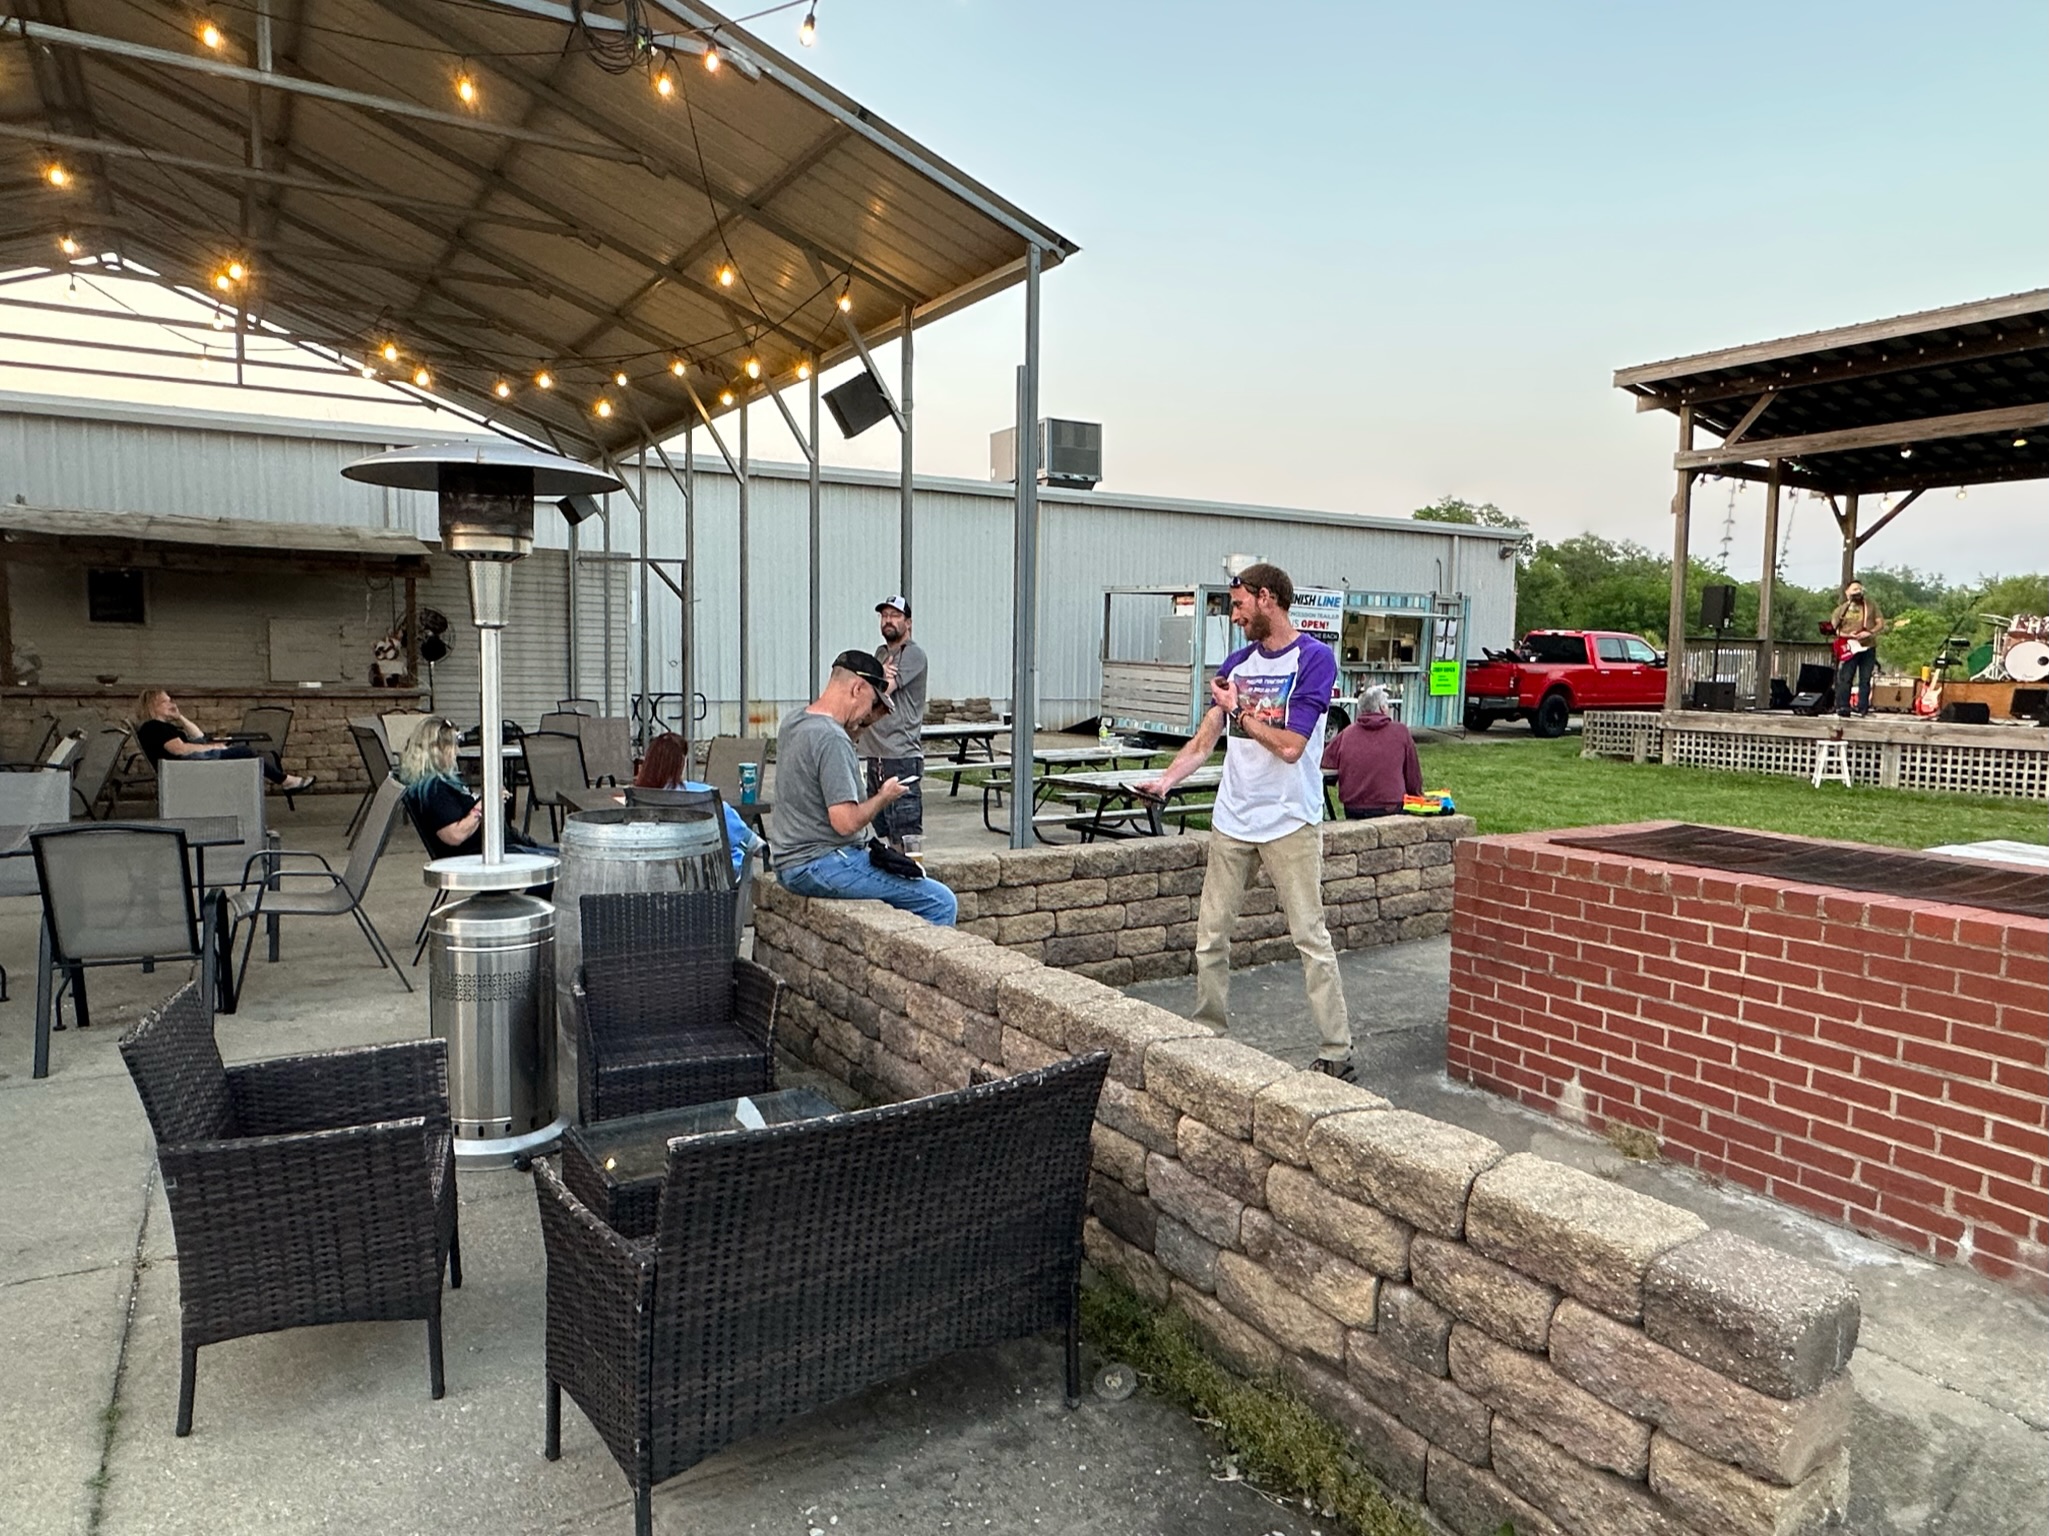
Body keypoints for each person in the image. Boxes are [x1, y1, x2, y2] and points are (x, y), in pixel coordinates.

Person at [1138, 563, 1354, 1081]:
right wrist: (1166, 781)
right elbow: (1204, 740)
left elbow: (1291, 747)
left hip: (1290, 822)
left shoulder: (1313, 659)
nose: (1234, 616)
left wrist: (1241, 714)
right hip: (1233, 820)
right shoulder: (1236, 663)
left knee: (1310, 937)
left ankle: (1336, 1051)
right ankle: (1207, 1033)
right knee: (1211, 935)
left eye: (1238, 605)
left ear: (1266, 598)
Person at [773, 649, 957, 925]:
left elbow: (835, 742)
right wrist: (884, 797)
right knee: (941, 901)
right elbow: (845, 823)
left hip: (790, 863)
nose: (869, 712)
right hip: (822, 862)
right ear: (857, 688)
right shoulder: (832, 739)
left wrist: (867, 721)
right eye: (871, 703)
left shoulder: (794, 721)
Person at [396, 718, 550, 859]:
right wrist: (487, 803)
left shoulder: (442, 781)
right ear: (437, 750)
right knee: (560, 864)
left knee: (560, 858)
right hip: (484, 856)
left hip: (499, 849)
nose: (457, 752)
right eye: (453, 746)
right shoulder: (435, 790)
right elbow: (455, 836)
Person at [854, 594, 928, 857]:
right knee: (882, 828)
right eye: (884, 616)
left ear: (908, 622)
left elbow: (883, 691)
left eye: (895, 616)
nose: (888, 620)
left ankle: (909, 874)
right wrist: (877, 676)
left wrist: (875, 679)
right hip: (876, 755)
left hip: (900, 756)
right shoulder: (881, 653)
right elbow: (871, 687)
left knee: (904, 835)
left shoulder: (912, 654)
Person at [633, 732, 764, 876]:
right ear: (682, 763)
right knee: (743, 849)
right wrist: (761, 846)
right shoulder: (702, 795)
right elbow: (742, 836)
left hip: (658, 872)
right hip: (710, 874)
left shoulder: (639, 797)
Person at [133, 688, 315, 792]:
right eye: (166, 701)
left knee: (241, 751)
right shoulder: (153, 727)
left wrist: (180, 717)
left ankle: (284, 782)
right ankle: (286, 781)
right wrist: (212, 748)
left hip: (186, 766)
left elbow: (198, 737)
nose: (172, 704)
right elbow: (179, 749)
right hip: (182, 771)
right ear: (152, 706)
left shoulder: (162, 726)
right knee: (246, 752)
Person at [1321, 685, 1422, 818]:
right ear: (1382, 708)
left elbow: (1325, 763)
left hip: (1354, 808)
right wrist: (1417, 796)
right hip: (1390, 806)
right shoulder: (1401, 732)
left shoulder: (1346, 734)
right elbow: (1413, 775)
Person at [1830, 580, 1886, 717]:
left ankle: (1862, 707)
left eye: (1859, 589)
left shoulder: (1871, 605)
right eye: (1854, 589)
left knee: (1865, 679)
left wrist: (1869, 632)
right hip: (1850, 647)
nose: (1858, 592)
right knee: (1845, 677)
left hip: (1868, 646)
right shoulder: (1841, 610)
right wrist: (1848, 635)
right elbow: (1835, 629)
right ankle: (1843, 706)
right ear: (1847, 592)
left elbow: (1880, 623)